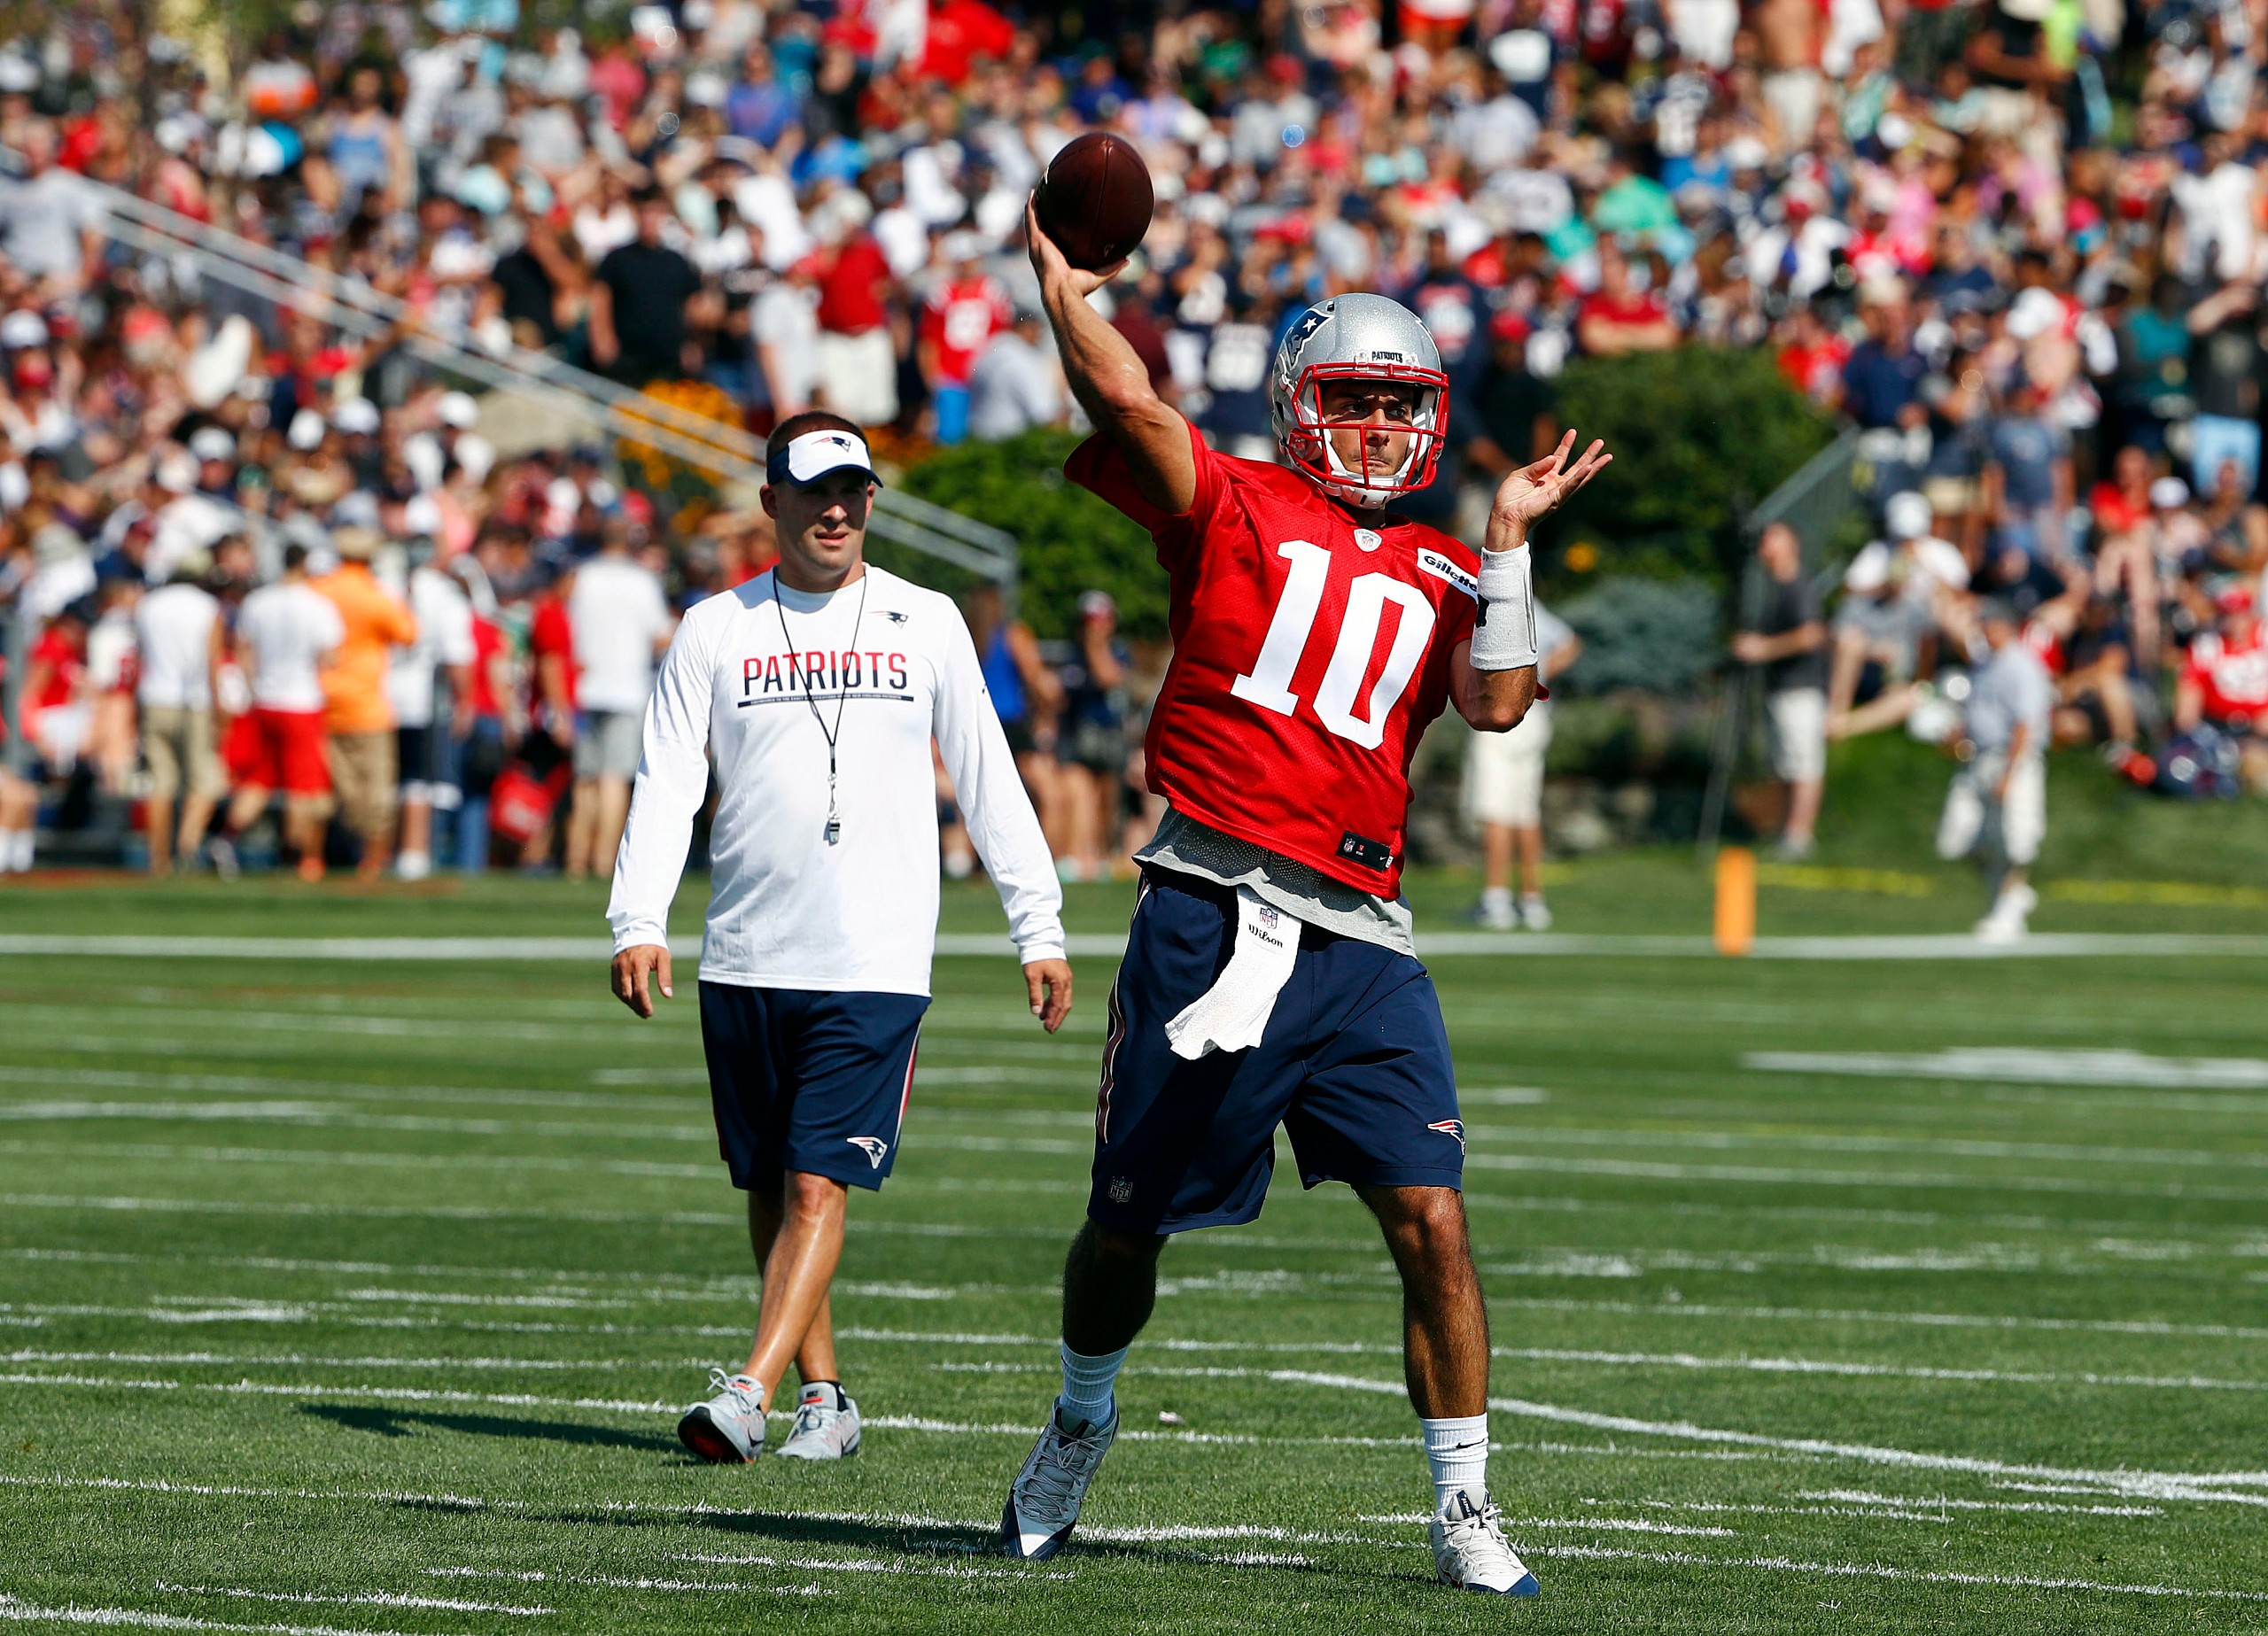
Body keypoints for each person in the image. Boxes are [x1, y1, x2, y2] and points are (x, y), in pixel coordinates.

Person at [1000, 200, 1610, 1597]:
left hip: (1364, 939)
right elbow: (1129, 399)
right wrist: (1064, 293)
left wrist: (1511, 537)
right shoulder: (1234, 500)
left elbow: (1501, 704)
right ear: (1296, 403)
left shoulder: (1458, 564)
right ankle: (1084, 1411)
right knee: (1127, 1221)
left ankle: (1464, 1501)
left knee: (1434, 1215)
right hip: (1211, 909)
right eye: (1357, 402)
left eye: (1404, 408)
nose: (1385, 431)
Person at [606, 411, 1071, 1467]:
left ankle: (747, 1391)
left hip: (873, 959)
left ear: (871, 500)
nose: (834, 510)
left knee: (820, 1181)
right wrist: (640, 917)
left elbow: (990, 778)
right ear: (769, 502)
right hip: (745, 953)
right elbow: (668, 781)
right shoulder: (712, 627)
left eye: (852, 491)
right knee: (771, 1183)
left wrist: (1034, 926)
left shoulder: (928, 619)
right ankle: (825, 1393)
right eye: (813, 492)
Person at [229, 542, 346, 882]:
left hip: (264, 699)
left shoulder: (258, 602)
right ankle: (297, 855)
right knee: (304, 787)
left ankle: (228, 837)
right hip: (301, 701)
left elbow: (244, 653)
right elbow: (329, 658)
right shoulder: (318, 606)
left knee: (260, 778)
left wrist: (252, 690)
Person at [1937, 598, 2053, 942]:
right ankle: (2010, 898)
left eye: (1988, 623)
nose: (1983, 630)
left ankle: (2005, 910)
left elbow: (2025, 724)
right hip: (1979, 759)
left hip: (2012, 759)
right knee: (1960, 838)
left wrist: (2009, 774)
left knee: (2015, 839)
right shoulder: (1984, 665)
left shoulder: (2023, 666)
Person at [566, 518, 676, 880]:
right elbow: (660, 636)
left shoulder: (582, 577)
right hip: (627, 689)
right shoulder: (642, 582)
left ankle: (575, 859)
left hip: (586, 686)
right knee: (614, 778)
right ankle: (603, 860)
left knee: (585, 779)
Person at [1463, 600, 1581, 927]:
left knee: (1495, 811)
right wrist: (1537, 678)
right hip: (1534, 716)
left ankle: (1495, 899)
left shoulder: (1489, 599)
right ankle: (1532, 900)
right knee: (1524, 812)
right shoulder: (1528, 602)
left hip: (1500, 714)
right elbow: (1570, 642)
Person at [315, 527, 419, 881]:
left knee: (328, 790)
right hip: (367, 708)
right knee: (376, 792)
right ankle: (372, 863)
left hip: (323, 703)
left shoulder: (319, 590)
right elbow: (408, 634)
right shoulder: (376, 597)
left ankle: (314, 860)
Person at [1731, 521, 1830, 857]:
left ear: (1792, 545)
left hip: (1801, 688)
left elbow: (1812, 634)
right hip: (1783, 688)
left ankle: (1800, 835)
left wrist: (1763, 649)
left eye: (1773, 538)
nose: (1765, 546)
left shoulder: (1798, 585)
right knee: (1786, 763)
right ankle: (1787, 832)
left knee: (1804, 763)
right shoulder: (1778, 587)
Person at [387, 537, 477, 881]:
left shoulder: (385, 585)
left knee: (393, 776)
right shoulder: (442, 593)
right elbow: (457, 654)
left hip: (380, 692)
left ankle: (382, 852)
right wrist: (465, 699)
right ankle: (412, 853)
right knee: (418, 779)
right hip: (420, 695)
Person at [134, 550, 228, 875]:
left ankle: (158, 859)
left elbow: (139, 656)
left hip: (155, 697)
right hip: (194, 702)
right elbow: (212, 663)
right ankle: (187, 847)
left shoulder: (149, 604)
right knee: (205, 780)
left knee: (160, 783)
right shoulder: (207, 607)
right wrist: (220, 711)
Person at [588, 186, 703, 386]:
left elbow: (692, 308)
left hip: (669, 361)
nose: (649, 219)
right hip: (626, 359)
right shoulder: (617, 259)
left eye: (655, 212)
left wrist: (693, 344)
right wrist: (602, 341)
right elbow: (600, 300)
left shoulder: (677, 261)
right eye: (644, 212)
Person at [1055, 589, 1132, 880]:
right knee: (1081, 795)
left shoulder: (1120, 653)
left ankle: (1102, 855)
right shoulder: (1072, 657)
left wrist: (1097, 647)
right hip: (1080, 736)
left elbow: (1108, 678)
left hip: (1110, 736)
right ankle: (1079, 857)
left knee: (1108, 801)